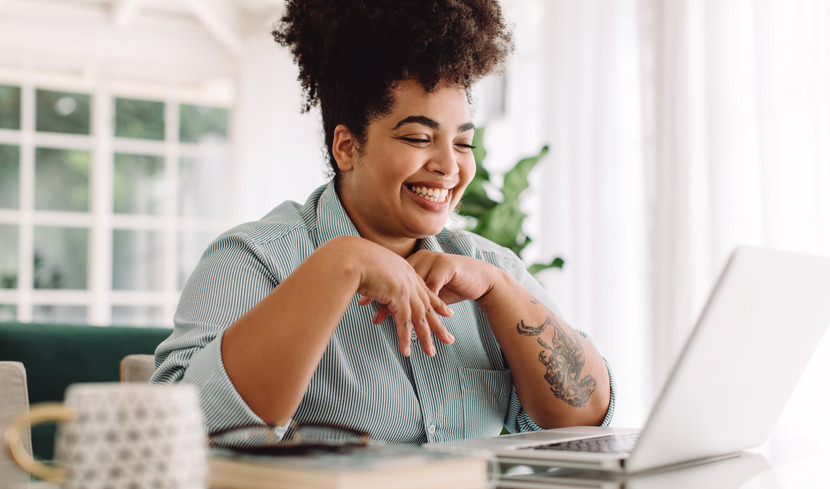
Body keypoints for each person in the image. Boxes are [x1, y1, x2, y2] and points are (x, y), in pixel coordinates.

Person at [152, 0, 614, 444]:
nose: (449, 167)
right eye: (418, 137)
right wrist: (340, 264)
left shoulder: (487, 268)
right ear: (347, 147)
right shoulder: (254, 260)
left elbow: (586, 421)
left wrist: (500, 292)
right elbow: (178, 435)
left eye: (463, 143)